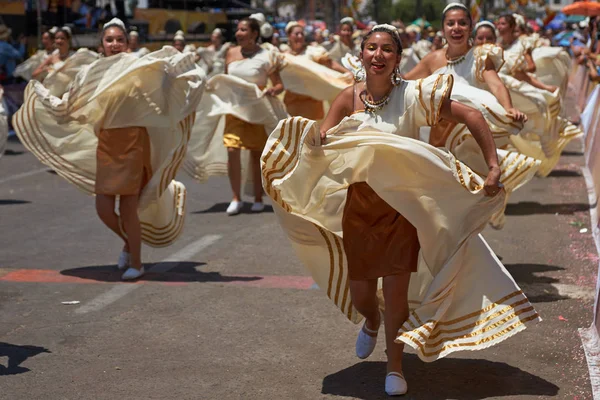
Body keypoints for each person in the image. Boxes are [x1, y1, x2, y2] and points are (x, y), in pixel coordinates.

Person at [262, 24, 539, 397]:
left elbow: (473, 116)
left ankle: (395, 366)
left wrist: (492, 166)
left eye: (386, 49)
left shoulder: (414, 95)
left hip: (402, 212)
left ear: (397, 58)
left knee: (396, 294)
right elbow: (321, 141)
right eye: (371, 48)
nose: (378, 55)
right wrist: (310, 139)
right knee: (362, 295)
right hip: (359, 210)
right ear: (361, 55)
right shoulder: (348, 98)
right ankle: (370, 321)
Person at [13, 18, 205, 280]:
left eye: (119, 39)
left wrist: (184, 64)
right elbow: (71, 103)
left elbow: (167, 75)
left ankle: (136, 262)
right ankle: (130, 243)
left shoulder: (138, 65)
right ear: (101, 44)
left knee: (127, 208)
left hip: (133, 141)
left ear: (126, 43)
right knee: (103, 209)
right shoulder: (92, 72)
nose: (115, 44)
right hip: (107, 143)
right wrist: (43, 95)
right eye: (109, 40)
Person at [185, 17, 285, 216]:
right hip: (233, 110)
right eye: (238, 29)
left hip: (257, 110)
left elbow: (279, 84)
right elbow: (225, 79)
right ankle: (236, 198)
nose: (238, 33)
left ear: (254, 34)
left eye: (243, 29)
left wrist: (273, 90)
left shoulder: (267, 56)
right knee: (232, 149)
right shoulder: (230, 52)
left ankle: (257, 197)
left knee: (257, 154)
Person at [282, 21, 352, 120]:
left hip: (312, 104)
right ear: (289, 36)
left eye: (302, 34)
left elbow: (330, 64)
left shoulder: (312, 51)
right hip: (292, 103)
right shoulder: (284, 57)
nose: (300, 36)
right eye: (296, 34)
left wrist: (346, 73)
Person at [32, 27, 98, 96]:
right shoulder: (52, 57)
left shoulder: (75, 57)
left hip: (71, 95)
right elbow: (34, 74)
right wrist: (45, 69)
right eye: (57, 38)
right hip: (54, 96)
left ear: (68, 40)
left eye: (62, 38)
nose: (59, 41)